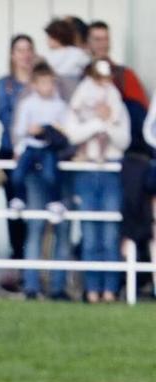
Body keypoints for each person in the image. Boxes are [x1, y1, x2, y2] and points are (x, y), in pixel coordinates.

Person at [67, 58, 129, 302]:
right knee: (90, 232)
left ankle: (110, 289)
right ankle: (92, 289)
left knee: (110, 232)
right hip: (87, 168)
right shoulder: (79, 103)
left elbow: (123, 140)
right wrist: (97, 122)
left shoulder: (117, 103)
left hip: (111, 169)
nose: (104, 83)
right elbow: (73, 134)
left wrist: (108, 124)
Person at [10, 61, 71, 300]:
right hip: (33, 160)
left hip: (53, 160)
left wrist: (50, 132)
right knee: (35, 227)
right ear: (35, 84)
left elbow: (66, 132)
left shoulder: (61, 105)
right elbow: (19, 130)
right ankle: (32, 285)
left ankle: (57, 286)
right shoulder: (27, 104)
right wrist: (24, 141)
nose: (47, 86)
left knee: (59, 230)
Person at [0, 35, 37, 288]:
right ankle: (17, 262)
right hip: (11, 151)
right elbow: (5, 115)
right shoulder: (5, 84)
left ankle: (34, 267)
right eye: (19, 50)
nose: (24, 55)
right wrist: (20, 138)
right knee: (15, 208)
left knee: (35, 208)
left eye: (28, 50)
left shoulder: (41, 83)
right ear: (12, 55)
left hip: (35, 153)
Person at [86, 22, 146, 107]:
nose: (103, 44)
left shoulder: (125, 74)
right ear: (88, 43)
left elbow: (141, 110)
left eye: (106, 39)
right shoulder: (81, 73)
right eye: (97, 39)